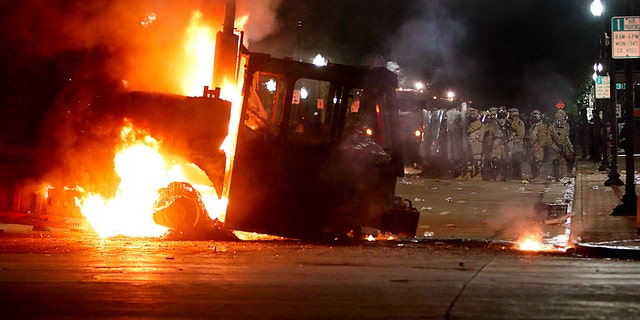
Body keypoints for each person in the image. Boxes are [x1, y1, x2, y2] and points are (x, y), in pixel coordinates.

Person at [547, 109, 575, 180]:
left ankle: (566, 173)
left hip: (563, 147)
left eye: (561, 119)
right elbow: (548, 138)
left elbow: (566, 138)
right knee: (555, 161)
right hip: (554, 147)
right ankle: (555, 175)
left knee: (567, 160)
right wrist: (553, 146)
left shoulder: (566, 126)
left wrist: (571, 148)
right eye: (558, 119)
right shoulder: (552, 127)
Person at [484, 106, 510, 181]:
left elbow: (511, 132)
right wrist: (489, 143)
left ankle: (506, 176)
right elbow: (490, 133)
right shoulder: (494, 122)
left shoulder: (508, 122)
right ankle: (497, 175)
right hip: (496, 142)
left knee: (506, 160)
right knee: (496, 160)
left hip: (506, 142)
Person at [526, 109, 548, 180]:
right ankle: (534, 175)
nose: (534, 118)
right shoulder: (532, 125)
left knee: (536, 161)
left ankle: (537, 175)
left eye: (536, 116)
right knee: (532, 162)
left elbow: (542, 138)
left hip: (537, 147)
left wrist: (538, 147)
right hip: (531, 146)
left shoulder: (540, 126)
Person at [507, 108, 526, 180]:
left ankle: (517, 175)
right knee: (509, 160)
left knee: (517, 160)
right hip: (510, 143)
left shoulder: (520, 123)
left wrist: (512, 124)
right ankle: (510, 174)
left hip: (518, 143)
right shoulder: (508, 122)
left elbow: (520, 132)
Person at [465, 107, 484, 180]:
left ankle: (478, 174)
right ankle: (469, 173)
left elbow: (470, 130)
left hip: (476, 142)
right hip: (471, 141)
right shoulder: (469, 123)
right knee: (469, 158)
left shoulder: (478, 123)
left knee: (477, 157)